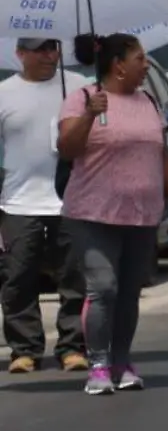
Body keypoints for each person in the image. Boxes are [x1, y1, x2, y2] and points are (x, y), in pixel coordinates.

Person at [56, 34, 168, 396]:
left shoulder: (147, 100)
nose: (146, 65)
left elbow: (163, 156)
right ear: (118, 65)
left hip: (141, 216)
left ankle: (121, 360)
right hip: (92, 214)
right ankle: (98, 364)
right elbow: (67, 148)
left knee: (129, 293)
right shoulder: (82, 98)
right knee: (104, 288)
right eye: (140, 58)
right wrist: (89, 115)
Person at [0, 38, 85, 374]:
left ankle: (73, 346)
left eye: (53, 48)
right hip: (18, 201)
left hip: (71, 200)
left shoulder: (78, 88)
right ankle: (24, 349)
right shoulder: (5, 93)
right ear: (20, 54)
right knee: (18, 278)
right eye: (40, 49)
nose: (49, 55)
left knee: (74, 276)